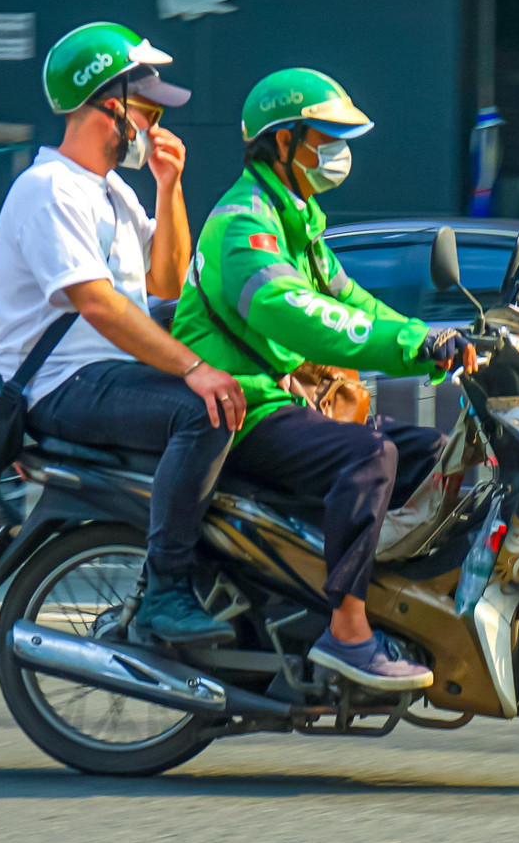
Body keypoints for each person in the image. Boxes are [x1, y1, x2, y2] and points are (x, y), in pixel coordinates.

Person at [173, 68, 477, 690]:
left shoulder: (299, 220)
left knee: (435, 454)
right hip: (247, 408)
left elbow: (354, 302)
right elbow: (298, 315)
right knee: (368, 456)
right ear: (283, 141)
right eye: (326, 137)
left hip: (289, 402)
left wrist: (432, 340)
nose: (338, 151)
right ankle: (348, 629)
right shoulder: (245, 224)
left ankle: (400, 608)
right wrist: (411, 345)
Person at [0, 22, 246, 644]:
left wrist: (169, 185)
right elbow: (99, 305)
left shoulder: (113, 192)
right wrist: (193, 369)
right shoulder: (48, 190)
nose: (156, 127)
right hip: (60, 386)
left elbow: (168, 282)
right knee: (203, 410)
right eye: (148, 112)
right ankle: (166, 592)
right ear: (110, 107)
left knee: (249, 404)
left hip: (106, 378)